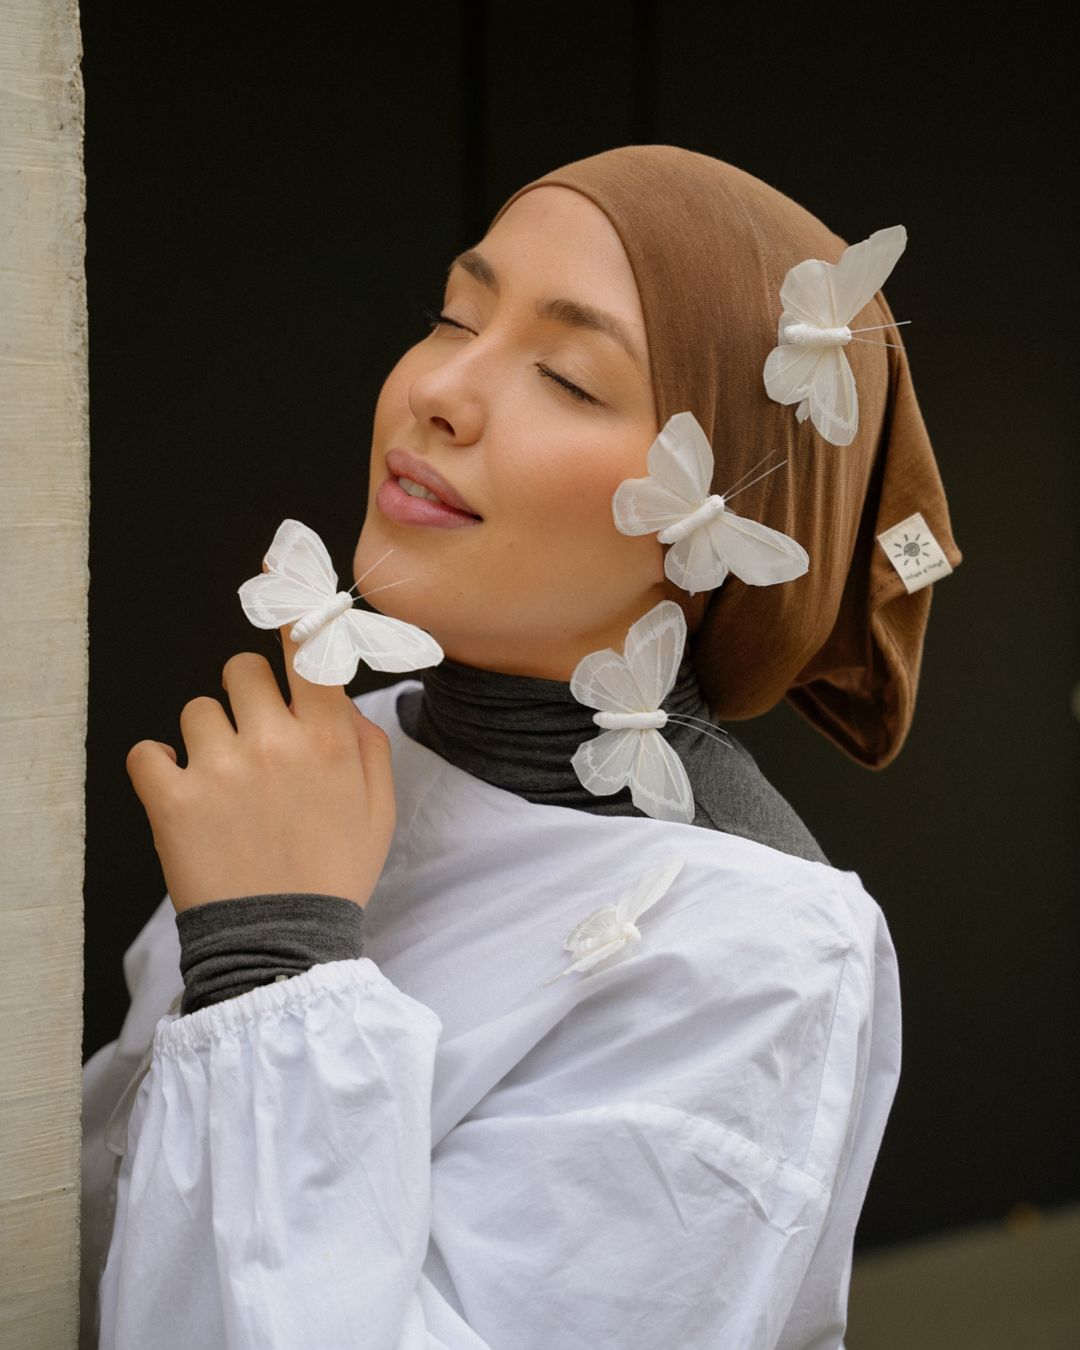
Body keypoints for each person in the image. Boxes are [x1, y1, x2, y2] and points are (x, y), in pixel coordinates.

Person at [80, 146, 959, 1350]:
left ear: (722, 525)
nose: (438, 388)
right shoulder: (351, 751)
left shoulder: (761, 956)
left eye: (568, 376)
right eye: (454, 315)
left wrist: (274, 958)